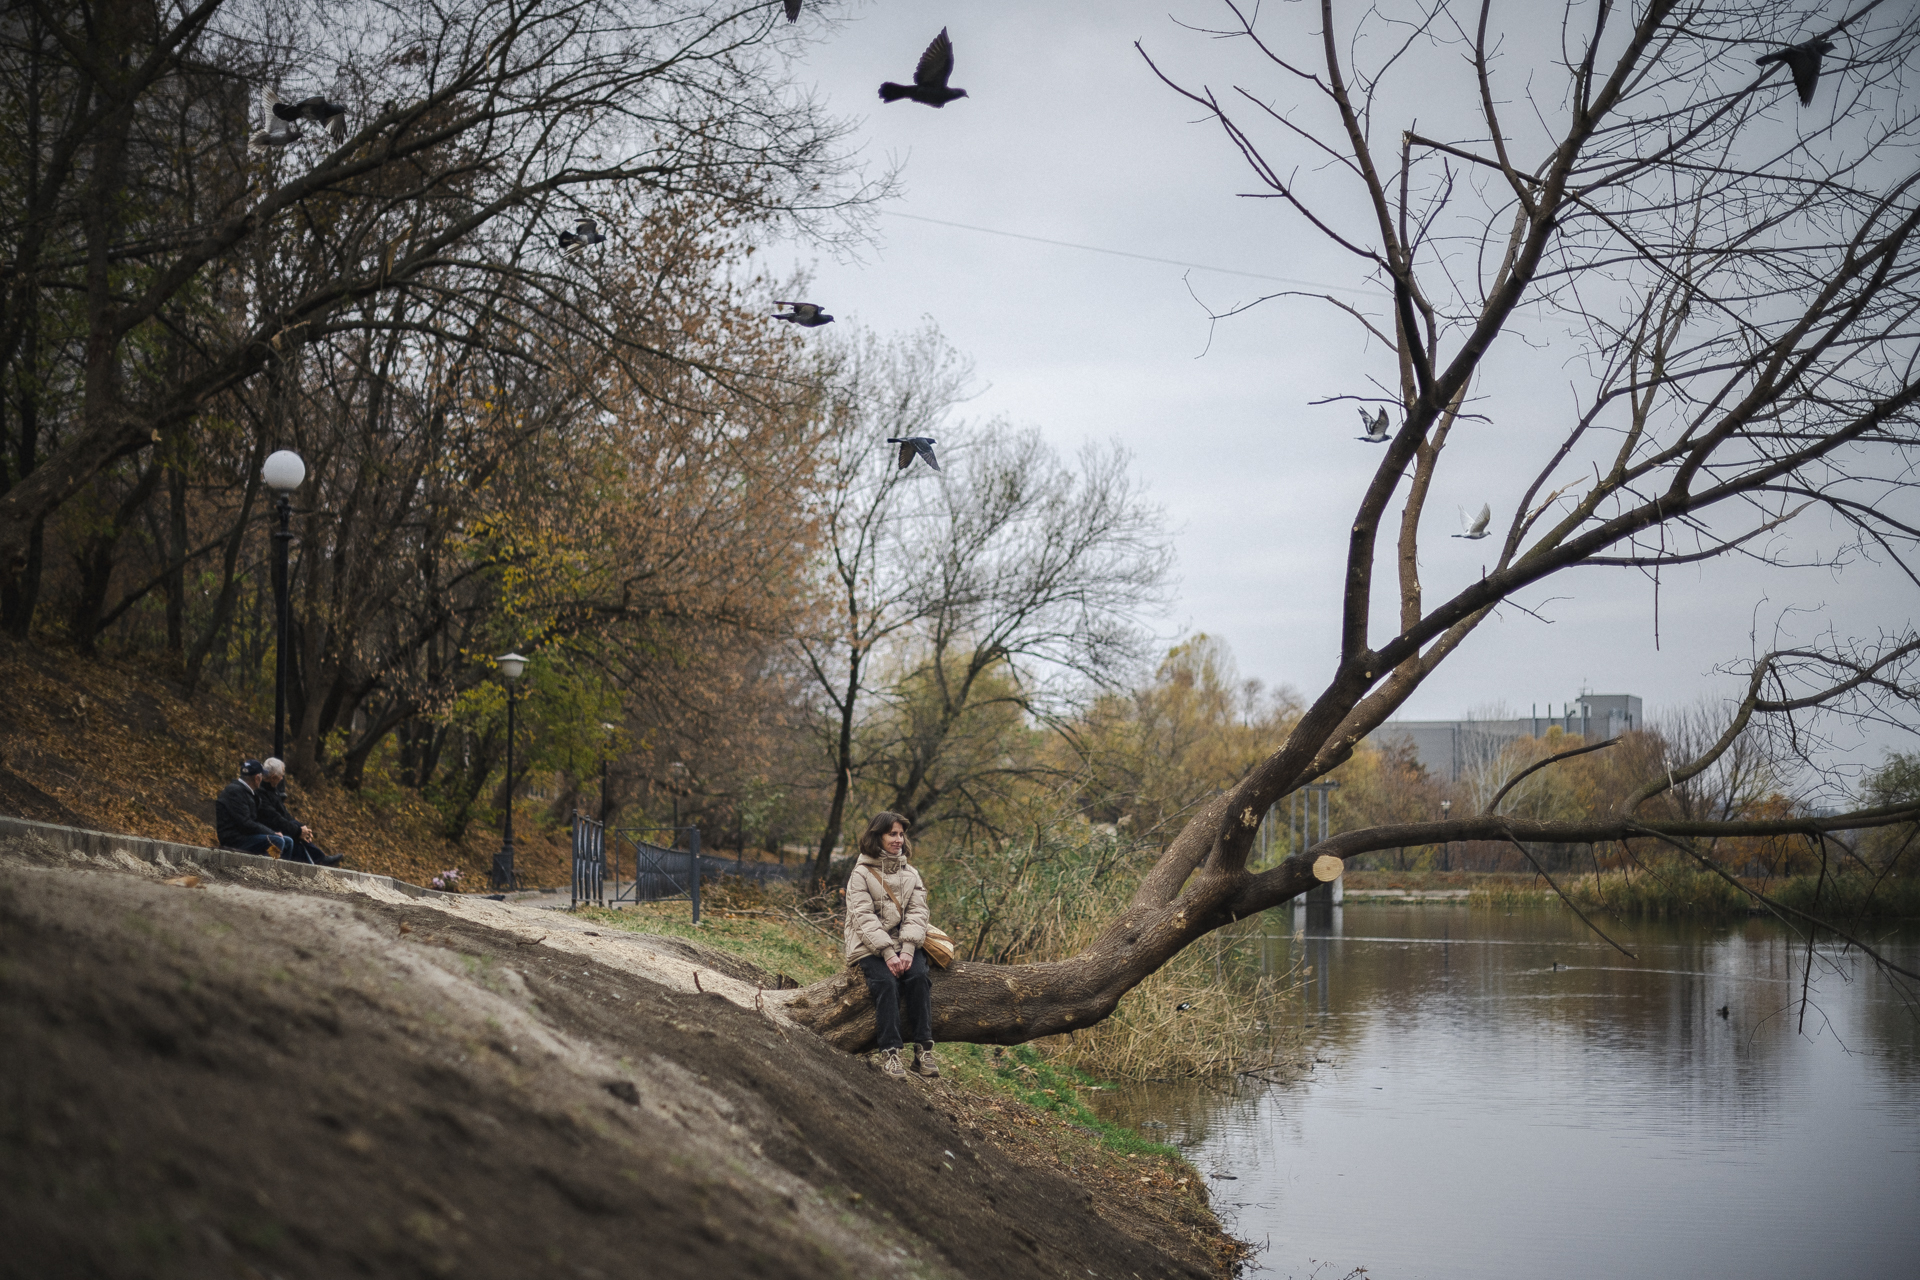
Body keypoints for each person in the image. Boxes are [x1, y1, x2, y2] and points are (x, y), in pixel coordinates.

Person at [843, 811, 939, 1079]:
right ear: (878, 836)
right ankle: (891, 1054)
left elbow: (918, 913)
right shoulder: (861, 873)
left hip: (904, 942)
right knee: (886, 983)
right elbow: (862, 918)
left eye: (901, 834)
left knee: (919, 976)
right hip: (868, 944)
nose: (898, 839)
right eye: (892, 834)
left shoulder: (911, 874)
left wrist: (907, 950)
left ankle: (923, 1051)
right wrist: (887, 953)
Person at [258, 758, 342, 866]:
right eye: (281, 776)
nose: (282, 778)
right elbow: (275, 819)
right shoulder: (262, 793)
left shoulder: (272, 791)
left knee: (297, 840)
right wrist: (298, 831)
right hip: (267, 830)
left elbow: (285, 815)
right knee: (293, 840)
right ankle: (319, 860)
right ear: (273, 778)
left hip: (276, 827)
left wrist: (302, 829)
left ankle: (319, 860)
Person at [214, 760, 292, 857]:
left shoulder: (246, 791)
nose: (263, 779)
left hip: (245, 835)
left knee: (288, 842)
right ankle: (267, 871)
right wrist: (272, 833)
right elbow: (246, 823)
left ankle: (281, 871)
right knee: (276, 841)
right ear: (257, 778)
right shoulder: (236, 792)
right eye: (262, 776)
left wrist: (271, 832)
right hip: (235, 839)